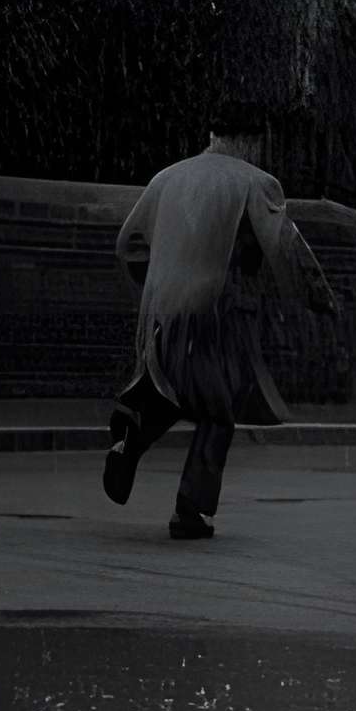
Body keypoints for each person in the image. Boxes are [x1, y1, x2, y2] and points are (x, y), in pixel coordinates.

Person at [102, 101, 339, 540]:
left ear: (211, 135)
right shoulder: (256, 182)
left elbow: (127, 244)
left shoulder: (165, 178)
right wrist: (319, 298)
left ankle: (130, 436)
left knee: (175, 391)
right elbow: (286, 247)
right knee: (217, 414)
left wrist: (158, 283)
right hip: (208, 314)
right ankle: (189, 511)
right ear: (251, 139)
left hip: (158, 311)